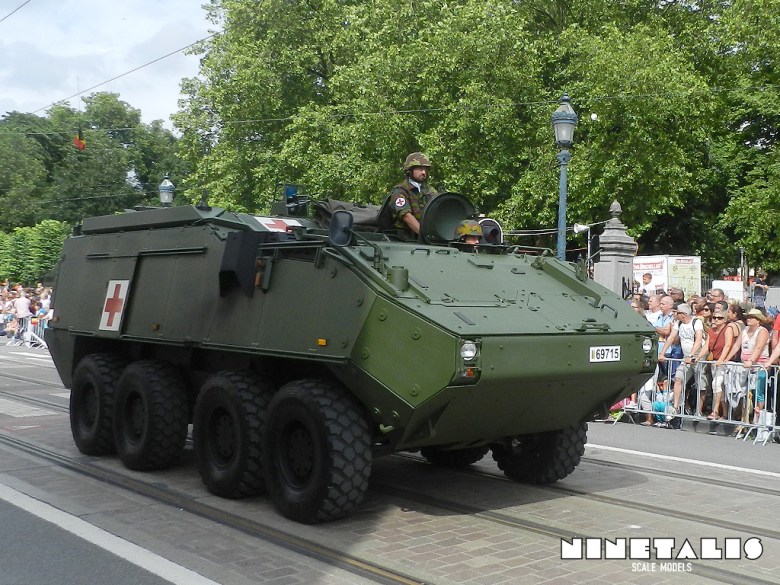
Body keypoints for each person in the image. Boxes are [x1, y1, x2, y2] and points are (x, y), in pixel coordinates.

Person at [659, 303, 706, 423]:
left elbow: (699, 340)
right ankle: (675, 407)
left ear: (684, 314)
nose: (675, 314)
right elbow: (671, 337)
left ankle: (699, 411)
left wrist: (691, 355)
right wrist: (662, 353)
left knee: (700, 383)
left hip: (698, 356)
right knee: (678, 378)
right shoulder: (678, 323)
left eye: (678, 313)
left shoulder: (696, 322)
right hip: (686, 358)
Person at [389, 152, 438, 239]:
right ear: (409, 171)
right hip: (405, 239)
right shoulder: (400, 191)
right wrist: (424, 236)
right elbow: (406, 216)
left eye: (425, 169)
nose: (423, 172)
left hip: (428, 239)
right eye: (419, 169)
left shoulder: (431, 191)